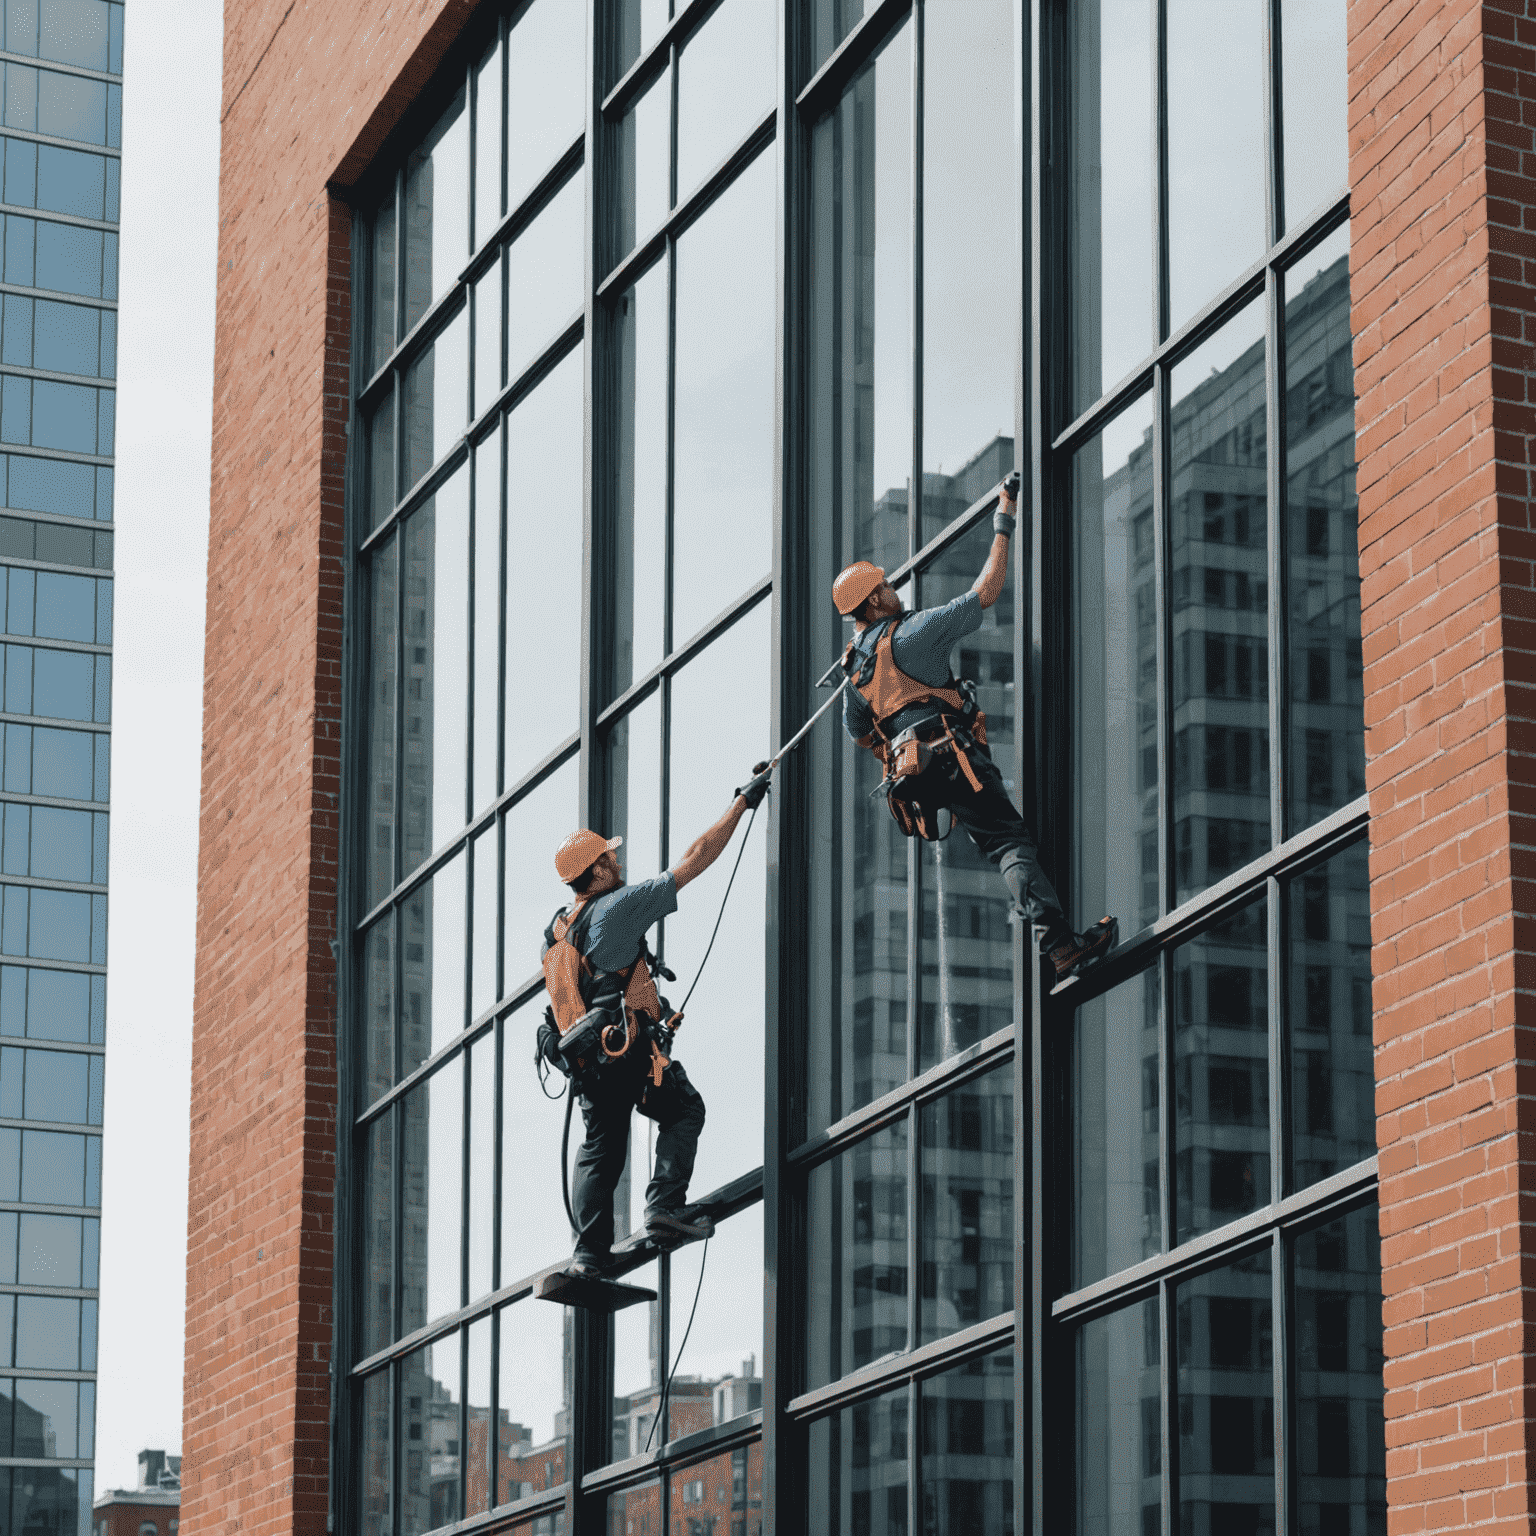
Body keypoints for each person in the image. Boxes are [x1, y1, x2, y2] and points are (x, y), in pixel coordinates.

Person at [833, 472, 1115, 981]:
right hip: (949, 751)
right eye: (886, 586)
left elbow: (858, 733)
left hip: (915, 772)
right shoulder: (912, 632)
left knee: (997, 841)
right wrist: (1003, 520)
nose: (894, 589)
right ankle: (1060, 946)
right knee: (1009, 842)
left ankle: (1057, 942)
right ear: (873, 601)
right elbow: (985, 592)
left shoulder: (855, 673)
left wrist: (897, 742)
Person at [540, 767, 770, 1280]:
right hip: (625, 1052)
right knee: (685, 1109)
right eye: (608, 857)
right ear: (595, 872)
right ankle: (665, 1207)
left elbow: (592, 986)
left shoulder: (562, 927)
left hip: (588, 1060)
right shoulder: (617, 907)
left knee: (600, 1149)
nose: (616, 860)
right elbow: (692, 860)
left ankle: (588, 1254)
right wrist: (740, 806)